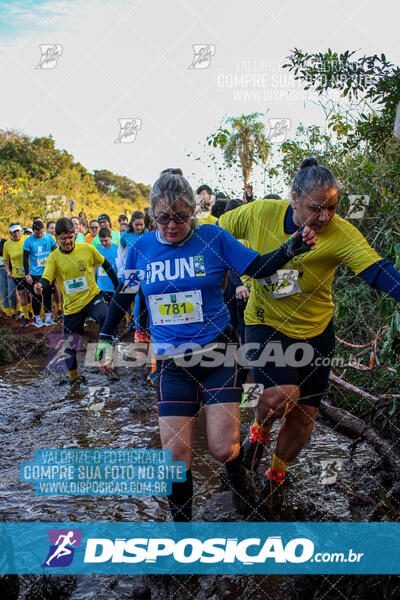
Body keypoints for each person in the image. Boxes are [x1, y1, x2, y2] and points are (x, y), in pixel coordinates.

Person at [95, 168, 317, 521]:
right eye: (164, 217)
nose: (172, 225)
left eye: (181, 217)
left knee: (222, 447)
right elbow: (126, 293)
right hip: (172, 363)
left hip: (217, 356)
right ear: (153, 213)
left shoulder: (213, 237)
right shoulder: (141, 248)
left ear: (192, 212)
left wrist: (292, 247)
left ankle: (240, 483)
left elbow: (258, 267)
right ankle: (182, 537)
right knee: (175, 457)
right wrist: (106, 338)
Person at [217, 157, 400, 504]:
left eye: (332, 207)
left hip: (316, 331)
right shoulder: (259, 213)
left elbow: (377, 270)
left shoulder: (340, 232)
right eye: (317, 208)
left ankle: (275, 477)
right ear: (294, 198)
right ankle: (257, 434)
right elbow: (217, 233)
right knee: (279, 396)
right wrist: (236, 276)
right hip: (264, 322)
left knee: (304, 418)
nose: (325, 217)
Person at [34, 218, 119, 382]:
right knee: (69, 347)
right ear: (57, 238)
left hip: (92, 296)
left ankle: (106, 359)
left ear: (75, 235)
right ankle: (73, 379)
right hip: (72, 306)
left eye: (70, 237)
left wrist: (116, 287)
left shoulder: (87, 249)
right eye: (63, 239)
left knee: (105, 317)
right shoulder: (54, 257)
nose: (67, 242)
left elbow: (106, 264)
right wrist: (40, 287)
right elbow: (46, 279)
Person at [119, 210, 149, 341]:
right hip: (130, 271)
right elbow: (121, 253)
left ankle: (142, 328)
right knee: (128, 299)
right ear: (132, 223)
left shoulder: (147, 233)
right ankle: (134, 327)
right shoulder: (126, 235)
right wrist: (122, 270)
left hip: (144, 271)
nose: (139, 227)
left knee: (141, 299)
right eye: (137, 224)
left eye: (141, 224)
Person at [23, 220, 57, 327]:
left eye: (41, 233)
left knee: (47, 295)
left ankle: (48, 318)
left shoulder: (49, 237)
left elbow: (56, 250)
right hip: (35, 273)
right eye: (37, 233)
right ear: (33, 231)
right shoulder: (28, 241)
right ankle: (37, 318)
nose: (39, 235)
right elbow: (25, 258)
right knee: (36, 296)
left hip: (47, 272)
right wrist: (27, 274)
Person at [3, 224, 31, 326]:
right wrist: (8, 271)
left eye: (18, 231)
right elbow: (6, 260)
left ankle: (35, 314)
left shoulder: (27, 239)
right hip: (17, 274)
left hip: (29, 272)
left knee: (32, 294)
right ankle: (26, 316)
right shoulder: (7, 244)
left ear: (21, 231)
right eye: (14, 232)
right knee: (22, 294)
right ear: (11, 233)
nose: (17, 233)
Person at [0, 237, 17, 317]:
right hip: (0, 270)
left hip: (9, 269)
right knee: (4, 292)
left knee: (12, 292)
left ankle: (14, 311)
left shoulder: (5, 242)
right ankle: (7, 312)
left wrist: (10, 270)